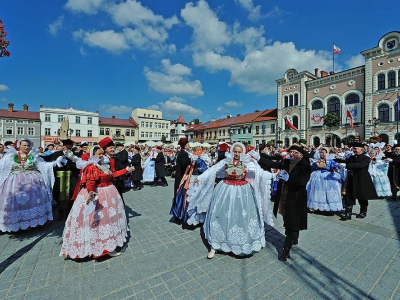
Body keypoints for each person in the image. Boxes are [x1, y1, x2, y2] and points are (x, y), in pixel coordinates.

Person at [187, 142, 274, 259]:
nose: (237, 154)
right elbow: (213, 169)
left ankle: (241, 244)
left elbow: (261, 173)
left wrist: (274, 176)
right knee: (220, 215)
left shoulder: (248, 162)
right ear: (232, 152)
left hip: (243, 191)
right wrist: (200, 178)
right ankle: (216, 245)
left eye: (239, 152)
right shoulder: (226, 161)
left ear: (242, 153)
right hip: (225, 189)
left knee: (240, 216)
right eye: (235, 151)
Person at [60, 145, 134, 259]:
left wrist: (126, 170)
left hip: (109, 193)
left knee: (109, 219)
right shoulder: (91, 167)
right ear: (93, 154)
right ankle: (100, 247)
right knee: (100, 221)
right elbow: (90, 182)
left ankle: (108, 245)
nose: (101, 156)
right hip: (99, 194)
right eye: (99, 154)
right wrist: (91, 193)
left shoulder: (101, 165)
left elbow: (112, 175)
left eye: (101, 154)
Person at [257, 145, 312, 259]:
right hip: (284, 198)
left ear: (300, 154)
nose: (291, 154)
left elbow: (302, 181)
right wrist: (257, 157)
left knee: (292, 223)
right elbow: (273, 164)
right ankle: (293, 237)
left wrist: (288, 179)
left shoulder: (305, 166)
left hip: (296, 199)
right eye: (290, 152)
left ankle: (286, 249)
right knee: (288, 220)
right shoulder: (287, 162)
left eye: (294, 152)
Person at [0, 138, 58, 232]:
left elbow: (43, 166)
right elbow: (1, 165)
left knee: (33, 200)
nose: (26, 147)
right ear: (19, 146)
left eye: (28, 145)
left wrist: (54, 163)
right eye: (24, 145)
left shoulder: (33, 156)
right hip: (14, 182)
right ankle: (15, 223)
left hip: (33, 181)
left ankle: (33, 222)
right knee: (15, 201)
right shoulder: (10, 156)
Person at [336, 142, 378, 220]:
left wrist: (347, 165)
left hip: (362, 179)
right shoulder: (352, 157)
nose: (354, 150)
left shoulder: (366, 158)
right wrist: (335, 160)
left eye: (355, 148)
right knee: (349, 195)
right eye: (353, 148)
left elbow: (360, 165)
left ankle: (363, 212)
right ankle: (348, 213)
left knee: (362, 196)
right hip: (351, 179)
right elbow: (346, 161)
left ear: (361, 149)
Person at [49, 138, 79, 221]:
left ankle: (69, 212)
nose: (68, 147)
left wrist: (67, 163)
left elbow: (77, 165)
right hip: (59, 177)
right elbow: (51, 164)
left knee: (71, 195)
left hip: (71, 177)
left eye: (70, 145)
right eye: (66, 145)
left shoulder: (74, 155)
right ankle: (60, 212)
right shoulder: (57, 154)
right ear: (63, 146)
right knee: (59, 195)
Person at [306, 148, 343, 212]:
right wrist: (316, 166)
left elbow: (336, 167)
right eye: (320, 152)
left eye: (323, 153)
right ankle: (315, 205)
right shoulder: (316, 160)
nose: (321, 154)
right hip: (317, 176)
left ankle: (329, 206)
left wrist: (326, 167)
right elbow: (312, 168)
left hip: (328, 176)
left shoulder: (330, 160)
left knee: (328, 191)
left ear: (327, 153)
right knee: (315, 189)